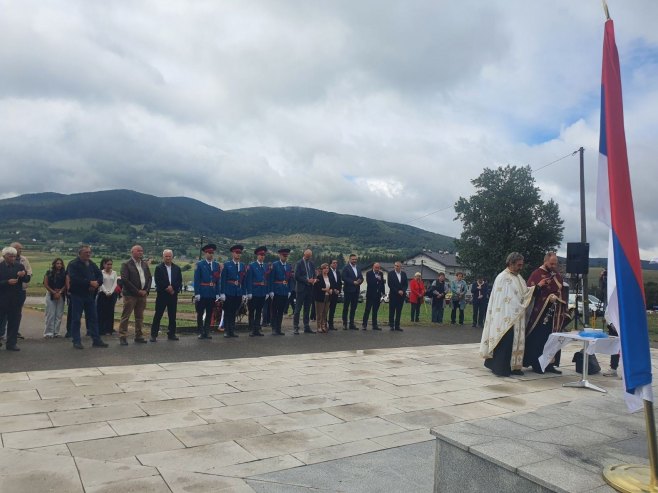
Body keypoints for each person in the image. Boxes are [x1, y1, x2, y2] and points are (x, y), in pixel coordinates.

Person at [480, 252, 548, 377]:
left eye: (521, 265)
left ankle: (514, 367)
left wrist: (537, 287)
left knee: (515, 342)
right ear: (511, 263)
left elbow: (525, 293)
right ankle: (500, 368)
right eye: (518, 265)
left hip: (516, 316)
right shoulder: (503, 278)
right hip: (505, 317)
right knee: (506, 342)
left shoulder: (519, 278)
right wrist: (519, 306)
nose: (521, 267)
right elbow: (506, 300)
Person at [523, 252, 571, 374]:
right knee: (539, 340)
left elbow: (562, 291)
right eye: (551, 263)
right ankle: (537, 364)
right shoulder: (536, 274)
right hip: (540, 314)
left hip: (555, 315)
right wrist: (546, 295)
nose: (554, 266)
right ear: (545, 261)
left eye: (555, 264)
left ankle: (550, 364)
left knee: (553, 339)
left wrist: (558, 299)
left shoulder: (557, 275)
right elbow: (529, 292)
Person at [66, 245, 108, 349]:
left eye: (89, 252)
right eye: (86, 252)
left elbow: (99, 275)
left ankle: (96, 340)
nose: (88, 254)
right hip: (77, 295)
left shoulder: (91, 263)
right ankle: (76, 341)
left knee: (93, 318)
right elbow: (74, 279)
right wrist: (89, 283)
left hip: (90, 295)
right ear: (80, 253)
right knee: (76, 319)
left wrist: (97, 283)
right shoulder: (73, 264)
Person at [118, 245, 152, 346]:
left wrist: (146, 290)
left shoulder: (144, 264)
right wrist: (137, 291)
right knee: (126, 316)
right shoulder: (126, 264)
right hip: (130, 295)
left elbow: (149, 278)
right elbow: (125, 280)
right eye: (138, 251)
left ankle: (139, 335)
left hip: (143, 295)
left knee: (139, 316)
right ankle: (123, 336)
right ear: (132, 252)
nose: (140, 252)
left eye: (142, 251)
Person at [0, 246, 31, 351]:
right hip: (2, 299)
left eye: (14, 256)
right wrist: (6, 282)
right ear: (4, 256)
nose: (13, 258)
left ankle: (11, 343)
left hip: (15, 299)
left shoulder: (20, 266)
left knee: (14, 321)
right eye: (10, 256)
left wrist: (23, 275)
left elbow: (27, 279)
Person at [151, 249, 183, 342]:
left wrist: (173, 288)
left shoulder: (177, 268)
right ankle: (153, 335)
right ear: (163, 257)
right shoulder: (159, 268)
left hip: (173, 295)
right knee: (158, 315)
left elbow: (179, 280)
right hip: (162, 295)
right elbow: (158, 280)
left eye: (169, 256)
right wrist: (167, 287)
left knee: (172, 316)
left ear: (172, 257)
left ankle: (171, 334)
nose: (168, 258)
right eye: (166, 256)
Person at [194, 244, 220, 339]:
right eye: (209, 253)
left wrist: (217, 293)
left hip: (212, 293)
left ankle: (207, 331)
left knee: (209, 313)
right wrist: (197, 293)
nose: (210, 254)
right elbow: (197, 279)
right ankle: (201, 332)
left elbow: (218, 280)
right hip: (202, 292)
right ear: (205, 253)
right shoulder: (200, 264)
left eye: (212, 253)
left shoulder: (216, 265)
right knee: (200, 313)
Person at [220, 245, 247, 338]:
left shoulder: (242, 265)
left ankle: (232, 330)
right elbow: (223, 279)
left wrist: (244, 293)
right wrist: (222, 292)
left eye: (239, 253)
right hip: (229, 291)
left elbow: (244, 280)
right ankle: (227, 330)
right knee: (228, 311)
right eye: (236, 253)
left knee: (234, 312)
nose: (238, 254)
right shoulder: (227, 265)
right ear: (233, 253)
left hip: (238, 292)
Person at [246, 246, 269, 337]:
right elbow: (249, 280)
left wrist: (267, 292)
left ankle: (257, 329)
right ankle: (251, 329)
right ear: (257, 255)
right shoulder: (252, 266)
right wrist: (249, 292)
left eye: (263, 255)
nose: (262, 256)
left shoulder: (265, 266)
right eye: (260, 255)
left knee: (259, 311)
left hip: (262, 292)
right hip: (254, 291)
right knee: (252, 311)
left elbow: (266, 279)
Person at [268, 248, 292, 336]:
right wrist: (271, 291)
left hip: (285, 291)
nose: (285, 257)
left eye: (286, 256)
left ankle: (279, 328)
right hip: (276, 290)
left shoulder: (288, 266)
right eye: (283, 255)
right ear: (280, 255)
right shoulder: (275, 265)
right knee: (275, 310)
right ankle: (274, 328)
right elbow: (271, 279)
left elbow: (290, 279)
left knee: (281, 311)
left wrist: (289, 290)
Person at [293, 249, 317, 334]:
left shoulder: (312, 263)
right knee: (298, 309)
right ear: (304, 254)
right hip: (301, 289)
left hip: (309, 289)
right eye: (307, 256)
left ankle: (306, 326)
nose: (308, 258)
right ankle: (296, 327)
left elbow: (314, 274)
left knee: (307, 308)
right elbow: (296, 276)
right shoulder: (299, 263)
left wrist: (314, 279)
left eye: (310, 256)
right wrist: (307, 280)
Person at [43, 258, 66, 338]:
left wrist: (60, 292)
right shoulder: (49, 273)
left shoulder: (64, 273)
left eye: (60, 263)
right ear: (54, 264)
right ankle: (48, 333)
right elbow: (45, 284)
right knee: (50, 314)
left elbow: (66, 284)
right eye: (57, 263)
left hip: (61, 295)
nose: (59, 265)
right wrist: (53, 292)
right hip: (50, 294)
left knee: (59, 314)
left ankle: (56, 332)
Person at [341, 254, 364, 330]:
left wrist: (360, 281)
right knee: (346, 307)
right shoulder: (346, 268)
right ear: (349, 260)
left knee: (353, 308)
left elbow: (361, 277)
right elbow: (344, 277)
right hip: (348, 290)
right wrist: (353, 282)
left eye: (355, 259)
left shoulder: (358, 268)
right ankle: (344, 323)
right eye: (353, 259)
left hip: (356, 290)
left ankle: (351, 324)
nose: (354, 260)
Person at [96, 258, 118, 336]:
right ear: (104, 264)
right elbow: (100, 283)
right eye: (108, 264)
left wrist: (111, 292)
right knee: (101, 312)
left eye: (111, 264)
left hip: (112, 294)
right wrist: (106, 292)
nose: (109, 266)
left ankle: (109, 329)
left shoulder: (114, 273)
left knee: (110, 312)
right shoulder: (100, 272)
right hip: (102, 294)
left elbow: (115, 283)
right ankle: (101, 329)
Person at [362, 262, 386, 330]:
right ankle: (364, 324)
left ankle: (374, 325)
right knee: (367, 310)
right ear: (373, 267)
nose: (377, 269)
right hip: (370, 295)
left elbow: (382, 283)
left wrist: (383, 292)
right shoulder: (368, 273)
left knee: (375, 311)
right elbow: (370, 282)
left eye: (378, 268)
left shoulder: (381, 273)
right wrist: (377, 278)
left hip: (378, 295)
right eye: (376, 267)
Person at [388, 261, 408, 331]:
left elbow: (406, 284)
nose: (396, 267)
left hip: (401, 296)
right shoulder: (390, 274)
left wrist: (403, 291)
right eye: (395, 265)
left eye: (397, 266)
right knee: (392, 311)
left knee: (399, 311)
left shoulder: (404, 274)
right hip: (393, 295)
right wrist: (397, 291)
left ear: (400, 267)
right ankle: (391, 325)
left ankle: (397, 326)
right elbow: (390, 284)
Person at [313, 263, 333, 333]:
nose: (326, 270)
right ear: (322, 269)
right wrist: (325, 290)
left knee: (325, 312)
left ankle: (323, 326)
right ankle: (319, 326)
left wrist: (331, 290)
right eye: (325, 268)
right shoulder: (319, 277)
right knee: (319, 313)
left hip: (328, 296)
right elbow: (316, 288)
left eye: (327, 268)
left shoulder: (329, 277)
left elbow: (331, 286)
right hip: (320, 297)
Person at [327, 259, 342, 330]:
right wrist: (333, 289)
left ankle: (331, 324)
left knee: (332, 310)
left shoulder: (338, 272)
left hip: (336, 294)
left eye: (336, 263)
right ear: (330, 264)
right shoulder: (328, 271)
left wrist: (339, 290)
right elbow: (327, 282)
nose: (335, 264)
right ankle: (323, 324)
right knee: (326, 309)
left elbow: (339, 282)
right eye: (334, 263)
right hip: (328, 293)